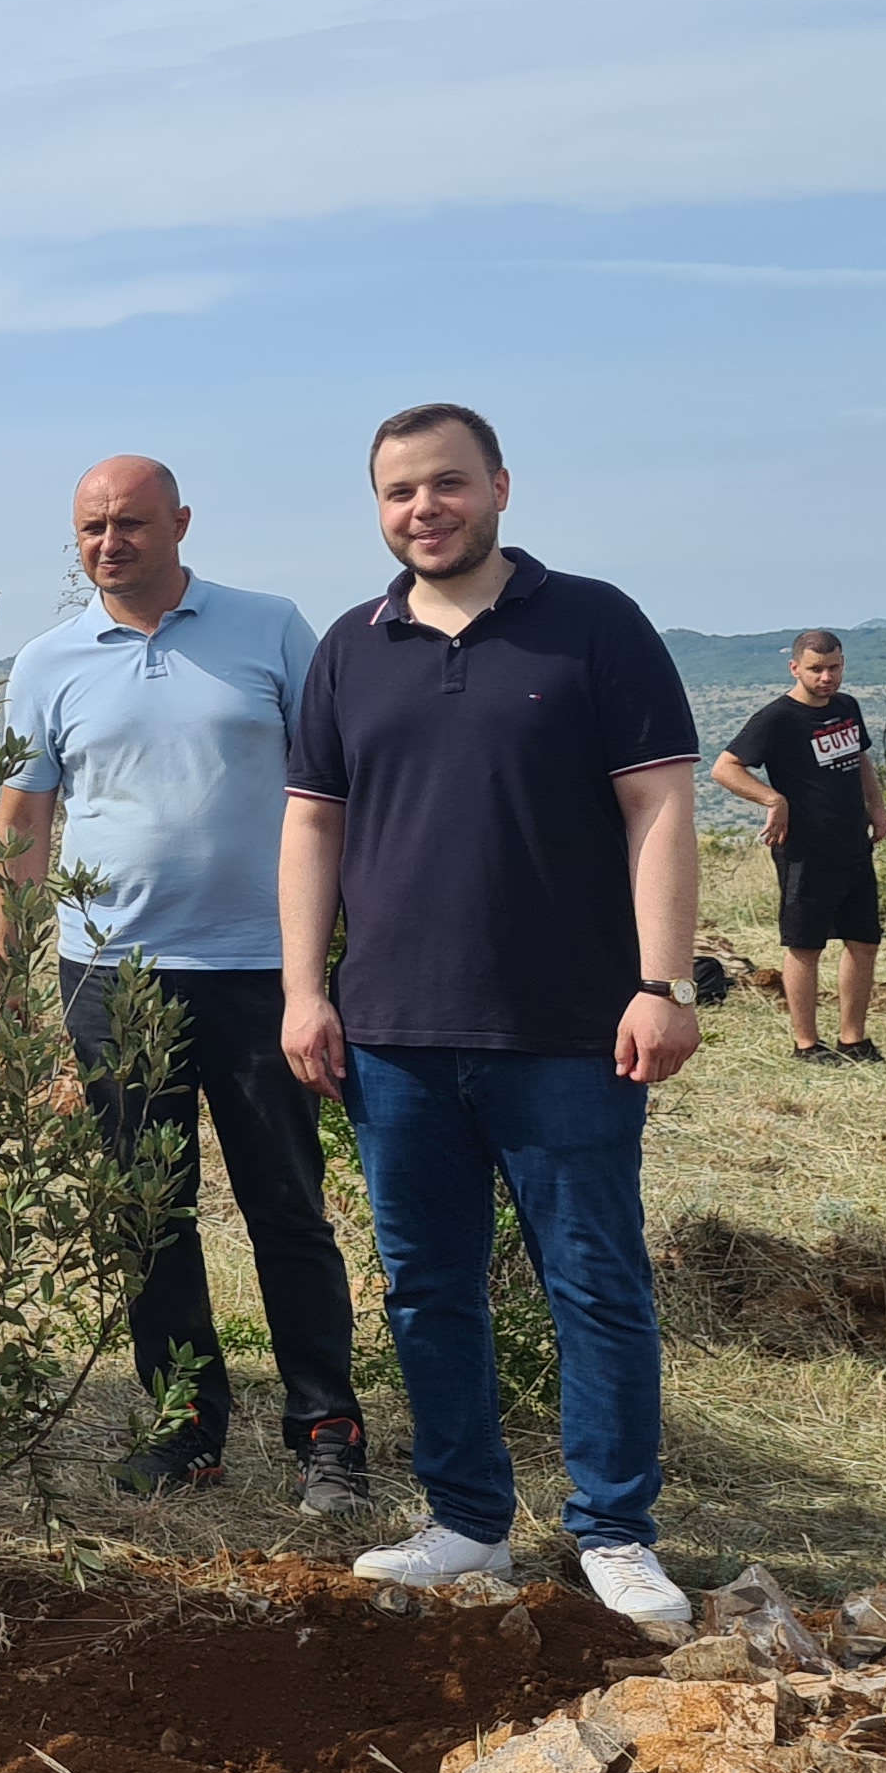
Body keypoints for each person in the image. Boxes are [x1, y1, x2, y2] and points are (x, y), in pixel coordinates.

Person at [279, 402, 701, 1631]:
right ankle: (466, 1522)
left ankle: (614, 1532)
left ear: (501, 487)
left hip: (571, 1029)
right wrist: (305, 989)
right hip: (394, 1036)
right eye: (400, 491)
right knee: (426, 1288)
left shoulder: (596, 624)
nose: (425, 509)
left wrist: (663, 984)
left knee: (596, 1284)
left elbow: (660, 807)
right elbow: (312, 824)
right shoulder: (352, 647)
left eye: (448, 483)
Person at [0, 456, 367, 1520]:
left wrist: (343, 955)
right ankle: (184, 1428)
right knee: (147, 1215)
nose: (110, 544)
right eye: (92, 529)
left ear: (181, 523)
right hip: (112, 978)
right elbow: (22, 821)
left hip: (260, 971)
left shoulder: (270, 627)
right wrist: (8, 982)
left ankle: (327, 1431)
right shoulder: (48, 662)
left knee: (286, 1207)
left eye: (132, 524)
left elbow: (335, 787)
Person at [712, 631, 886, 1065]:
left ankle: (853, 1040)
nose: (826, 677)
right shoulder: (778, 718)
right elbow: (725, 768)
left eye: (834, 667)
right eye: (816, 669)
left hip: (852, 843)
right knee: (806, 946)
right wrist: (774, 800)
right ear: (795, 668)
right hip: (805, 850)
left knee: (864, 941)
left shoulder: (847, 707)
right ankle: (806, 1044)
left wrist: (877, 805)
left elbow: (860, 759)